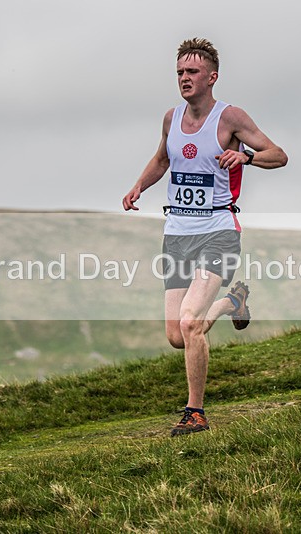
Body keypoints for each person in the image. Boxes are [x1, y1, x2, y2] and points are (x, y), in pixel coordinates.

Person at [122, 38, 288, 436]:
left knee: (191, 323)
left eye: (192, 72)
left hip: (218, 232)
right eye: (179, 72)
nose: (184, 78)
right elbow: (162, 158)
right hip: (177, 234)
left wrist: (245, 156)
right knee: (177, 335)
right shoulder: (170, 118)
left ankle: (195, 413)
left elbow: (278, 155)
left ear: (211, 77)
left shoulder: (230, 118)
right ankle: (234, 302)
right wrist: (139, 187)